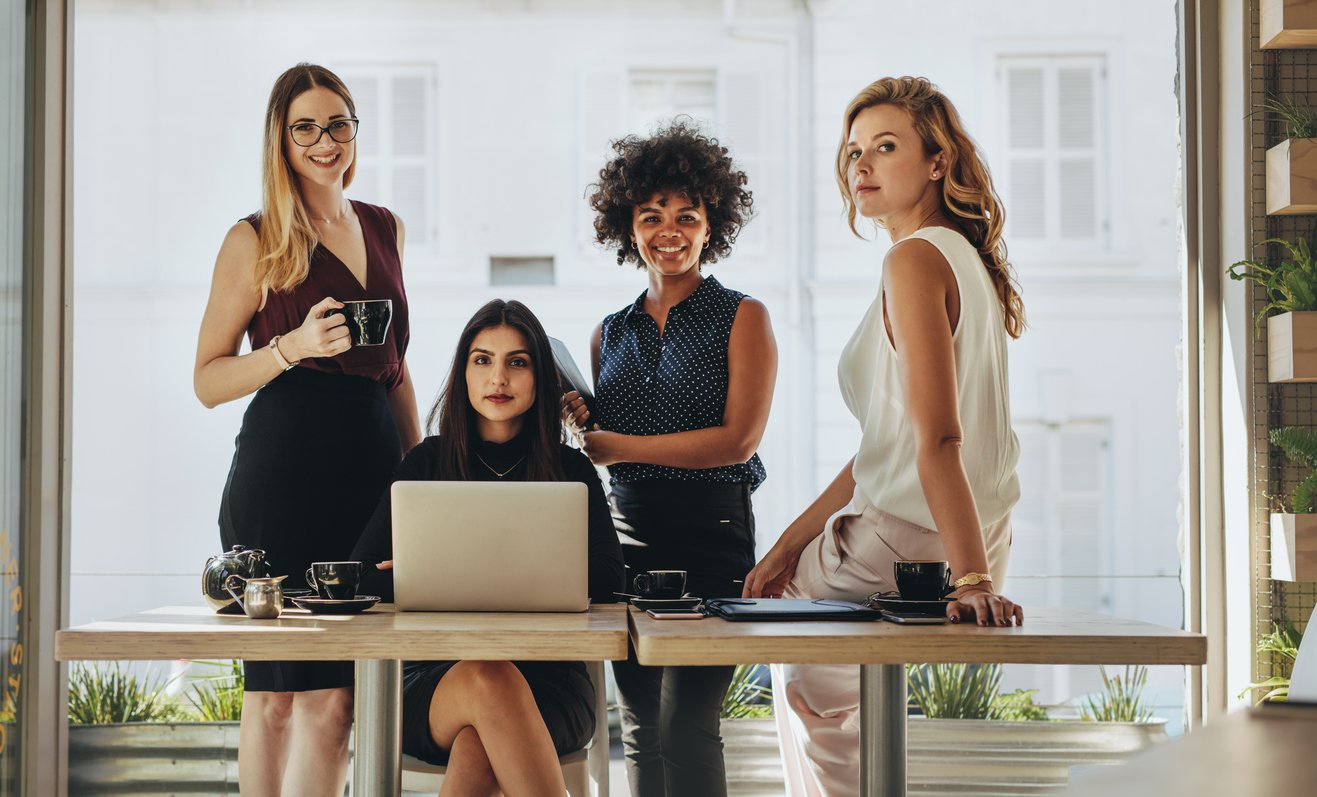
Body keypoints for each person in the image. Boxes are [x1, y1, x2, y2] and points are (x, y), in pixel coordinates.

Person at [741, 76, 1025, 796]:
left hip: (911, 539)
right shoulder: (965, 259)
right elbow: (886, 449)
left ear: (938, 161)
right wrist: (787, 546)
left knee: (812, 689)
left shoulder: (911, 260)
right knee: (827, 684)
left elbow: (938, 439)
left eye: (885, 146)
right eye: (853, 150)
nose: (860, 165)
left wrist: (969, 582)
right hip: (968, 528)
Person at [193, 63, 420, 796]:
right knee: (278, 692)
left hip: (369, 475)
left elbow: (395, 368)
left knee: (339, 697)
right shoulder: (253, 238)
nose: (325, 141)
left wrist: (417, 474)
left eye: (338, 123)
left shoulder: (385, 226)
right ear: (281, 141)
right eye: (305, 128)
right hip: (282, 472)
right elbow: (206, 379)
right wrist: (290, 348)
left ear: (356, 129)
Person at [566, 119, 777, 797]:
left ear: (711, 225)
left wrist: (616, 445)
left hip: (713, 539)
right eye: (651, 215)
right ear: (626, 224)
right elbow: (612, 445)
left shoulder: (744, 317)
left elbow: (736, 439)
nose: (669, 231)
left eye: (686, 216)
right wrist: (584, 422)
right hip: (626, 542)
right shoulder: (609, 332)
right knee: (641, 728)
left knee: (686, 722)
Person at [350, 299, 625, 795]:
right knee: (487, 679)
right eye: (483, 360)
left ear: (540, 375)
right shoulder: (425, 463)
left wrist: (442, 573)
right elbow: (359, 572)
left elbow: (610, 576)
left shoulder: (571, 469)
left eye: (516, 362)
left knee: (478, 741)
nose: (498, 377)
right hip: (434, 679)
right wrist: (418, 573)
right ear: (464, 373)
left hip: (553, 679)